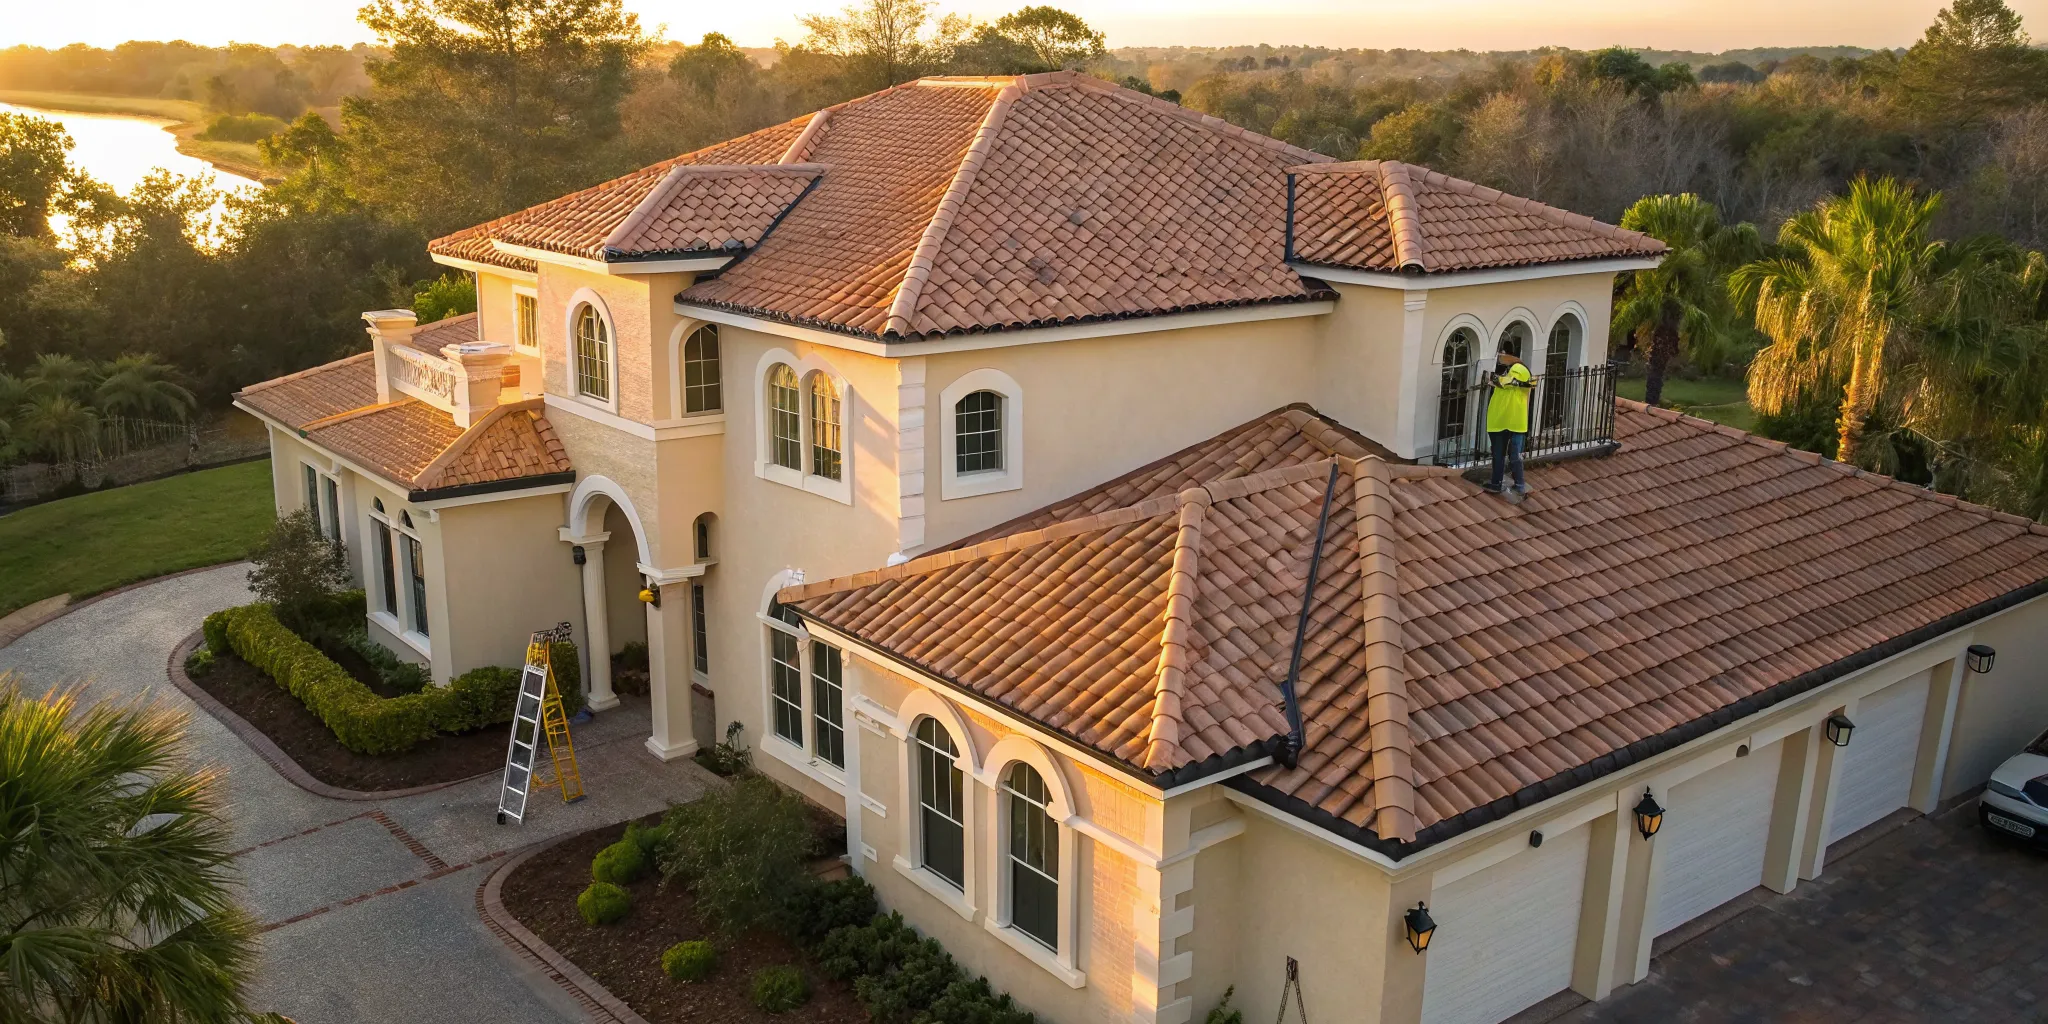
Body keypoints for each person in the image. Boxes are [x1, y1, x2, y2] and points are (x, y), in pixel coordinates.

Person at [1484, 350, 1535, 496]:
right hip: (1509, 421)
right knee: (1509, 455)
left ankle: (1508, 484)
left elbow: (1507, 381)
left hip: (1504, 420)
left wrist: (1494, 379)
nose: (1500, 359)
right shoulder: (1512, 371)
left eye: (1501, 355)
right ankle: (1509, 483)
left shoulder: (1518, 369)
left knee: (1504, 454)